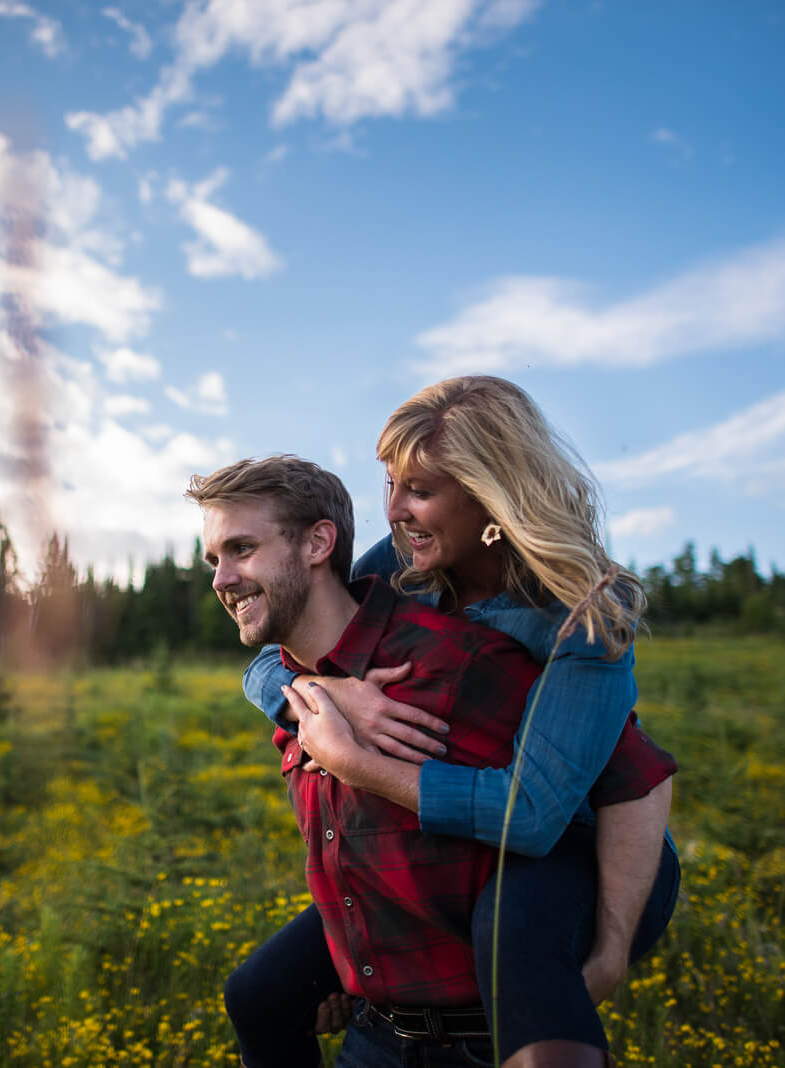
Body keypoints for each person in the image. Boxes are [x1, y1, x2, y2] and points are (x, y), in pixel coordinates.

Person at [230, 377, 678, 1066]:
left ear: (490, 494)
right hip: (458, 849)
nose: (396, 511)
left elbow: (542, 810)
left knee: (514, 931)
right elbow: (271, 659)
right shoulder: (404, 563)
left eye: (421, 490)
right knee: (261, 993)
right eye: (390, 484)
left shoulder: (582, 612)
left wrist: (357, 763)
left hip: (576, 847)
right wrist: (318, 696)